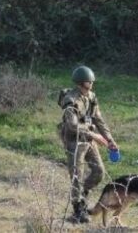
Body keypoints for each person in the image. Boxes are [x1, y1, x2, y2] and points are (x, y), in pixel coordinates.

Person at [57, 65, 119, 224]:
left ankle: (82, 197)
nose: (91, 84)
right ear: (80, 83)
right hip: (74, 141)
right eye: (88, 82)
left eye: (91, 82)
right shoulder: (70, 100)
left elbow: (98, 119)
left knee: (99, 172)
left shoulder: (91, 97)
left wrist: (110, 139)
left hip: (89, 140)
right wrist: (94, 135)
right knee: (77, 175)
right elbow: (72, 125)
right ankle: (78, 210)